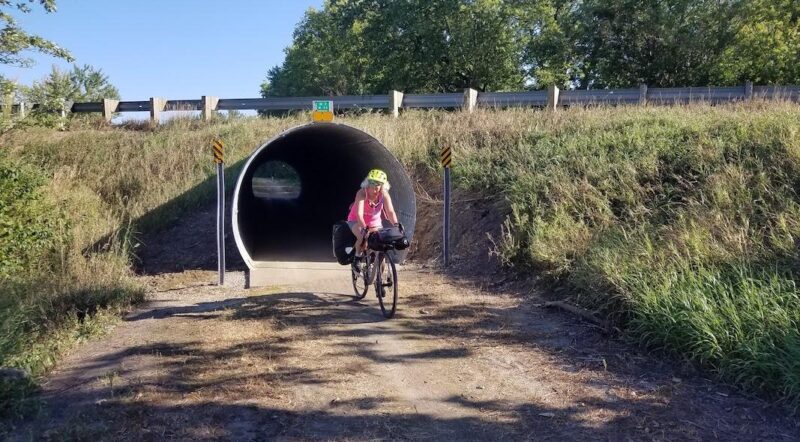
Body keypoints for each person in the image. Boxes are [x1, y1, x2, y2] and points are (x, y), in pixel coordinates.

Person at [346, 169, 399, 259]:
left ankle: (378, 265)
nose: (375, 186)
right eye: (372, 182)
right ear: (367, 183)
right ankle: (357, 258)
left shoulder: (384, 194)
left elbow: (390, 212)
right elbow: (359, 214)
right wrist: (364, 229)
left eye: (378, 184)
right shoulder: (362, 193)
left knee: (382, 243)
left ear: (383, 186)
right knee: (362, 237)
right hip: (356, 220)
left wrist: (396, 225)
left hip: (375, 223)